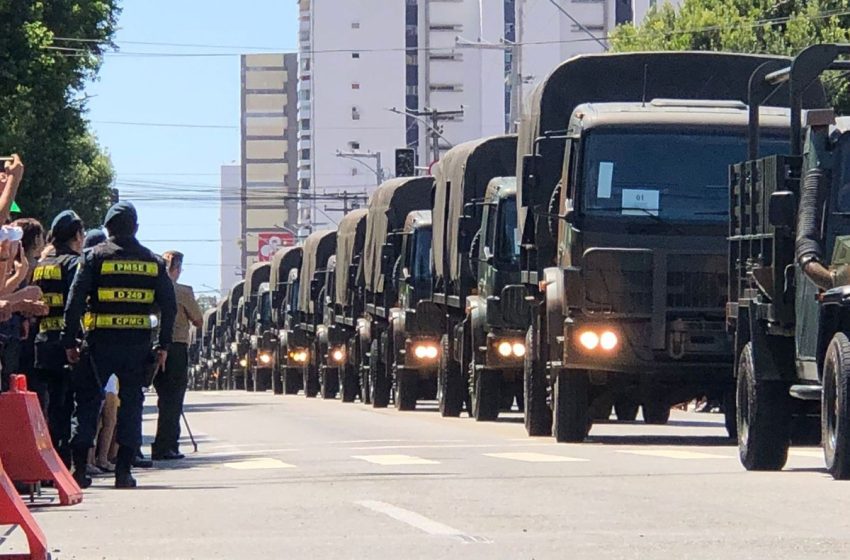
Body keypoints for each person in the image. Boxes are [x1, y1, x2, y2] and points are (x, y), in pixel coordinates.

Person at [62, 201, 177, 489]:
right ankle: (123, 472)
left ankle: (79, 471)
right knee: (131, 407)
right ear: (136, 228)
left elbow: (74, 302)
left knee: (87, 404)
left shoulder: (92, 257)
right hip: (137, 348)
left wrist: (70, 340)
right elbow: (169, 307)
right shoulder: (153, 262)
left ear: (107, 228)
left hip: (98, 344)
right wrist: (163, 346)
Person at [30, 211, 84, 471]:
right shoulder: (73, 264)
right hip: (66, 346)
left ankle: (47, 464)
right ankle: (62, 464)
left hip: (42, 343)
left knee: (48, 407)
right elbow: (77, 305)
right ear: (77, 235)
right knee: (66, 408)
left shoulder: (41, 264)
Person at [152, 251, 203, 460]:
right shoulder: (182, 291)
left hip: (150, 346)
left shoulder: (150, 288)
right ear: (177, 269)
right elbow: (199, 320)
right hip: (175, 348)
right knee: (172, 399)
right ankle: (167, 445)